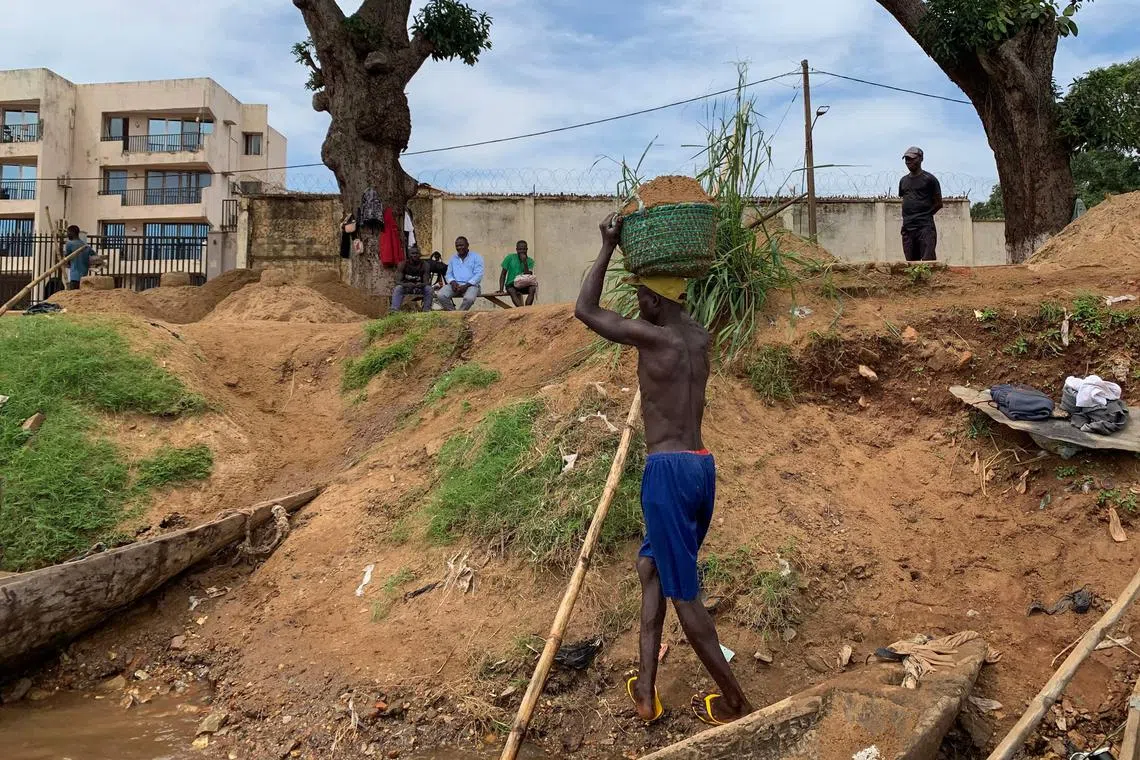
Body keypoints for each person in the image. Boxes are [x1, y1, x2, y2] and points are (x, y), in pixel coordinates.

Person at [574, 213, 753, 727]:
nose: (639, 306)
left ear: (655, 299)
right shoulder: (699, 338)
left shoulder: (655, 340)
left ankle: (736, 700)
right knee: (651, 567)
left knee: (684, 595)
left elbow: (585, 310)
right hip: (701, 467)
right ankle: (646, 693)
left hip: (667, 473)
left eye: (642, 298)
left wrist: (607, 246)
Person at [898, 146, 942, 262]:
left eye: (912, 158)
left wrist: (924, 216)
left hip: (925, 228)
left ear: (921, 159)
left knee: (928, 262)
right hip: (908, 228)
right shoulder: (903, 181)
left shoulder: (930, 179)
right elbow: (905, 199)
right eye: (906, 159)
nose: (908, 161)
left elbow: (938, 203)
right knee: (911, 264)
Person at [436, 236, 483, 311]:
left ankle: (459, 314)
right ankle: (453, 313)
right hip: (455, 286)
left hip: (471, 286)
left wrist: (466, 285)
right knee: (441, 295)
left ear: (467, 245)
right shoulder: (453, 258)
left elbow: (478, 275)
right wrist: (453, 282)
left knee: (469, 299)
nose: (459, 247)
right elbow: (448, 274)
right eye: (457, 246)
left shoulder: (476, 257)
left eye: (462, 245)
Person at [391, 245, 433, 312]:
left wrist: (421, 284)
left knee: (429, 289)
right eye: (412, 253)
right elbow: (397, 282)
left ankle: (426, 310)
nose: (415, 255)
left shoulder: (425, 265)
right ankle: (394, 310)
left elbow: (427, 282)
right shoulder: (402, 264)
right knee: (398, 288)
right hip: (407, 287)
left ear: (420, 255)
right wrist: (407, 285)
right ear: (409, 255)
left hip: (419, 288)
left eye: (416, 253)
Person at [499, 240, 537, 307]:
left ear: (527, 249)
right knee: (512, 291)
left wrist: (525, 262)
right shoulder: (510, 258)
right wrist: (501, 289)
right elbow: (503, 274)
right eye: (520, 249)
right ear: (516, 250)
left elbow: (528, 275)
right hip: (511, 284)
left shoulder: (530, 261)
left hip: (524, 284)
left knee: (533, 288)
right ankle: (521, 310)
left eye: (524, 249)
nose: (522, 251)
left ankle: (527, 309)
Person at [63, 225, 92, 290]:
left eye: (68, 232)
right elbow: (93, 256)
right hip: (84, 275)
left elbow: (67, 258)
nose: (67, 235)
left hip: (74, 276)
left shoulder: (69, 244)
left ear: (73, 233)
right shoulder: (85, 245)